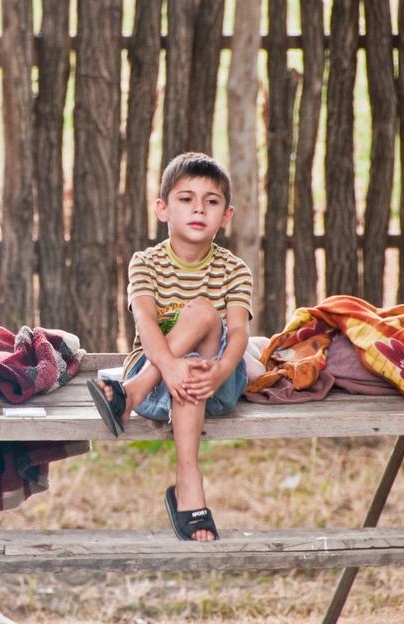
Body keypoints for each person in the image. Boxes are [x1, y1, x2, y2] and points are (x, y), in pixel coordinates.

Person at [88, 152, 252, 542]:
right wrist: (173, 366)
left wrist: (220, 371)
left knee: (203, 315)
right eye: (186, 199)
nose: (199, 209)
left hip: (214, 383)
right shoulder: (145, 263)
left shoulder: (234, 269)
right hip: (161, 386)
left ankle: (129, 394)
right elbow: (145, 321)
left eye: (211, 201)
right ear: (162, 209)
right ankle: (188, 483)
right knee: (189, 352)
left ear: (226, 215)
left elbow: (239, 333)